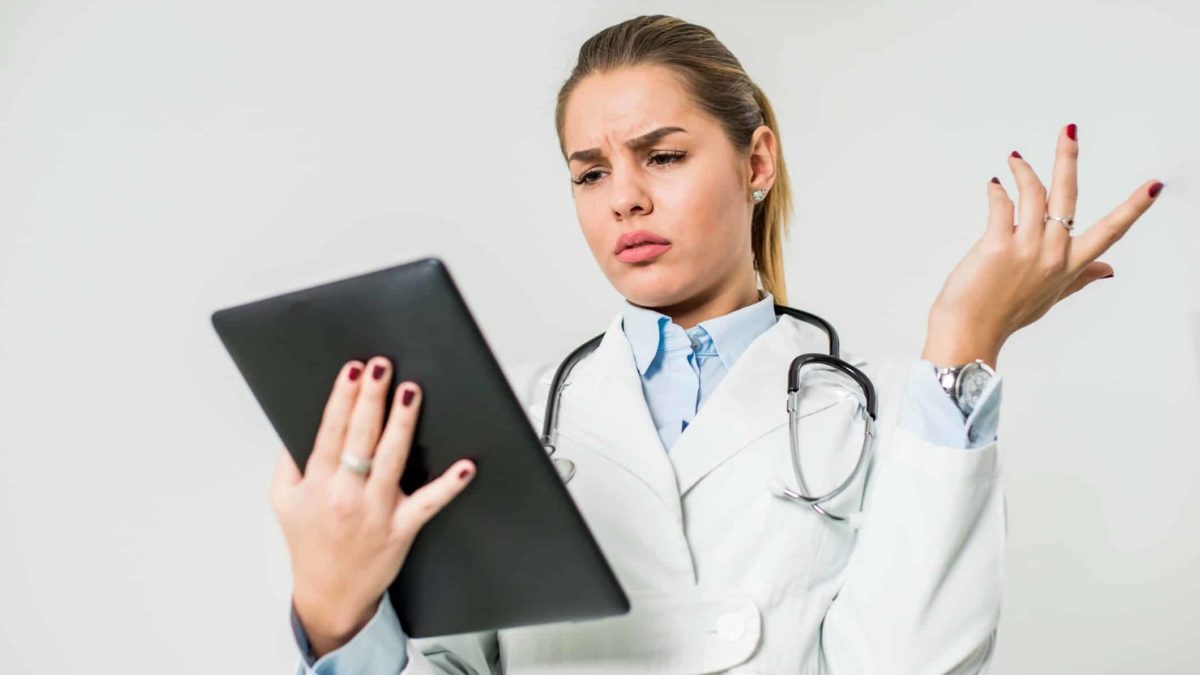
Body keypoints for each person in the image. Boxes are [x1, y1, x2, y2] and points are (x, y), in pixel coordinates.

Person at [269, 14, 1164, 675]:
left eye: (661, 156)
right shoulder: (512, 414)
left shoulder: (900, 414)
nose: (623, 198)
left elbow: (916, 663)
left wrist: (965, 341)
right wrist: (339, 617)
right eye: (590, 172)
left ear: (756, 162)